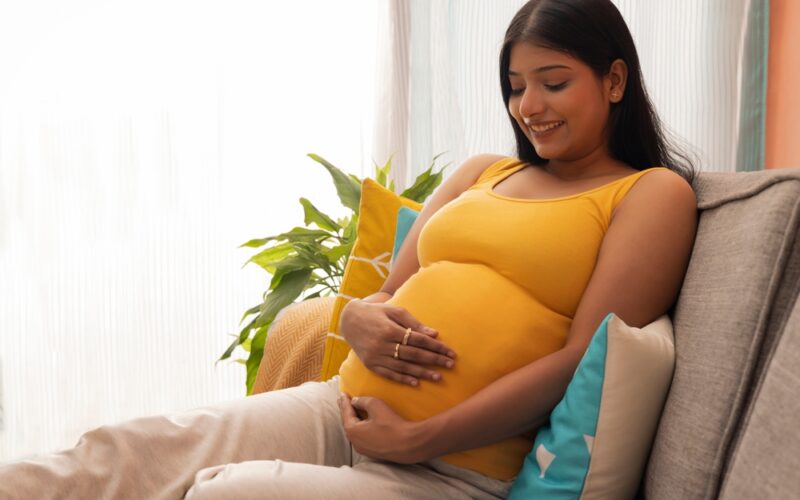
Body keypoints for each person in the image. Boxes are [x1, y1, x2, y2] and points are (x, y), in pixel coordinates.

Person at [0, 0, 698, 498]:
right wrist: (359, 317)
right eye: (516, 87)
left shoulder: (650, 195)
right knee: (134, 451)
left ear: (613, 80)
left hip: (453, 469)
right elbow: (385, 294)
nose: (529, 107)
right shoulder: (483, 172)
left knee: (225, 493)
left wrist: (424, 439)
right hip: (340, 411)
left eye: (554, 83)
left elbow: (582, 360)